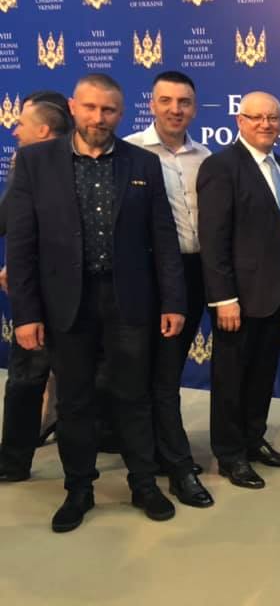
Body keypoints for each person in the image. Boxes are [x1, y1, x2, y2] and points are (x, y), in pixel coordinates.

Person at [6, 73, 186, 532]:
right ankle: (79, 489)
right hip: (66, 303)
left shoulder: (142, 163)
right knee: (75, 401)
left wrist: (173, 301)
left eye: (109, 110)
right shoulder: (35, 162)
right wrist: (25, 315)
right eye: (90, 107)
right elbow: (22, 246)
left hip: (129, 301)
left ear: (121, 114)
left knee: (134, 396)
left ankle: (143, 484)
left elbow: (163, 238)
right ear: (73, 107)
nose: (98, 118)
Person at [198, 91, 280, 489]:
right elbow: (213, 239)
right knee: (231, 379)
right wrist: (223, 298)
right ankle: (230, 455)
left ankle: (253, 439)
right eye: (257, 117)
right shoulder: (221, 166)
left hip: (274, 294)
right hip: (238, 299)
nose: (266, 124)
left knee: (261, 375)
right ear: (239, 120)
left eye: (273, 118)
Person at [124, 71, 213, 508]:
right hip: (146, 276)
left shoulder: (206, 157)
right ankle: (172, 463)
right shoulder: (128, 152)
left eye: (184, 102)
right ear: (152, 104)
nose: (175, 109)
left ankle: (164, 453)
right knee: (151, 375)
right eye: (167, 100)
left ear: (194, 108)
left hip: (195, 274)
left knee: (169, 370)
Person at [0, 92, 71, 482]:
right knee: (29, 380)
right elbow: (17, 230)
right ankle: (15, 460)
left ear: (43, 130)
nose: (14, 130)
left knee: (34, 381)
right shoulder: (29, 165)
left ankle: (22, 461)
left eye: (21, 124)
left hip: (64, 295)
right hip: (38, 293)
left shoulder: (40, 167)